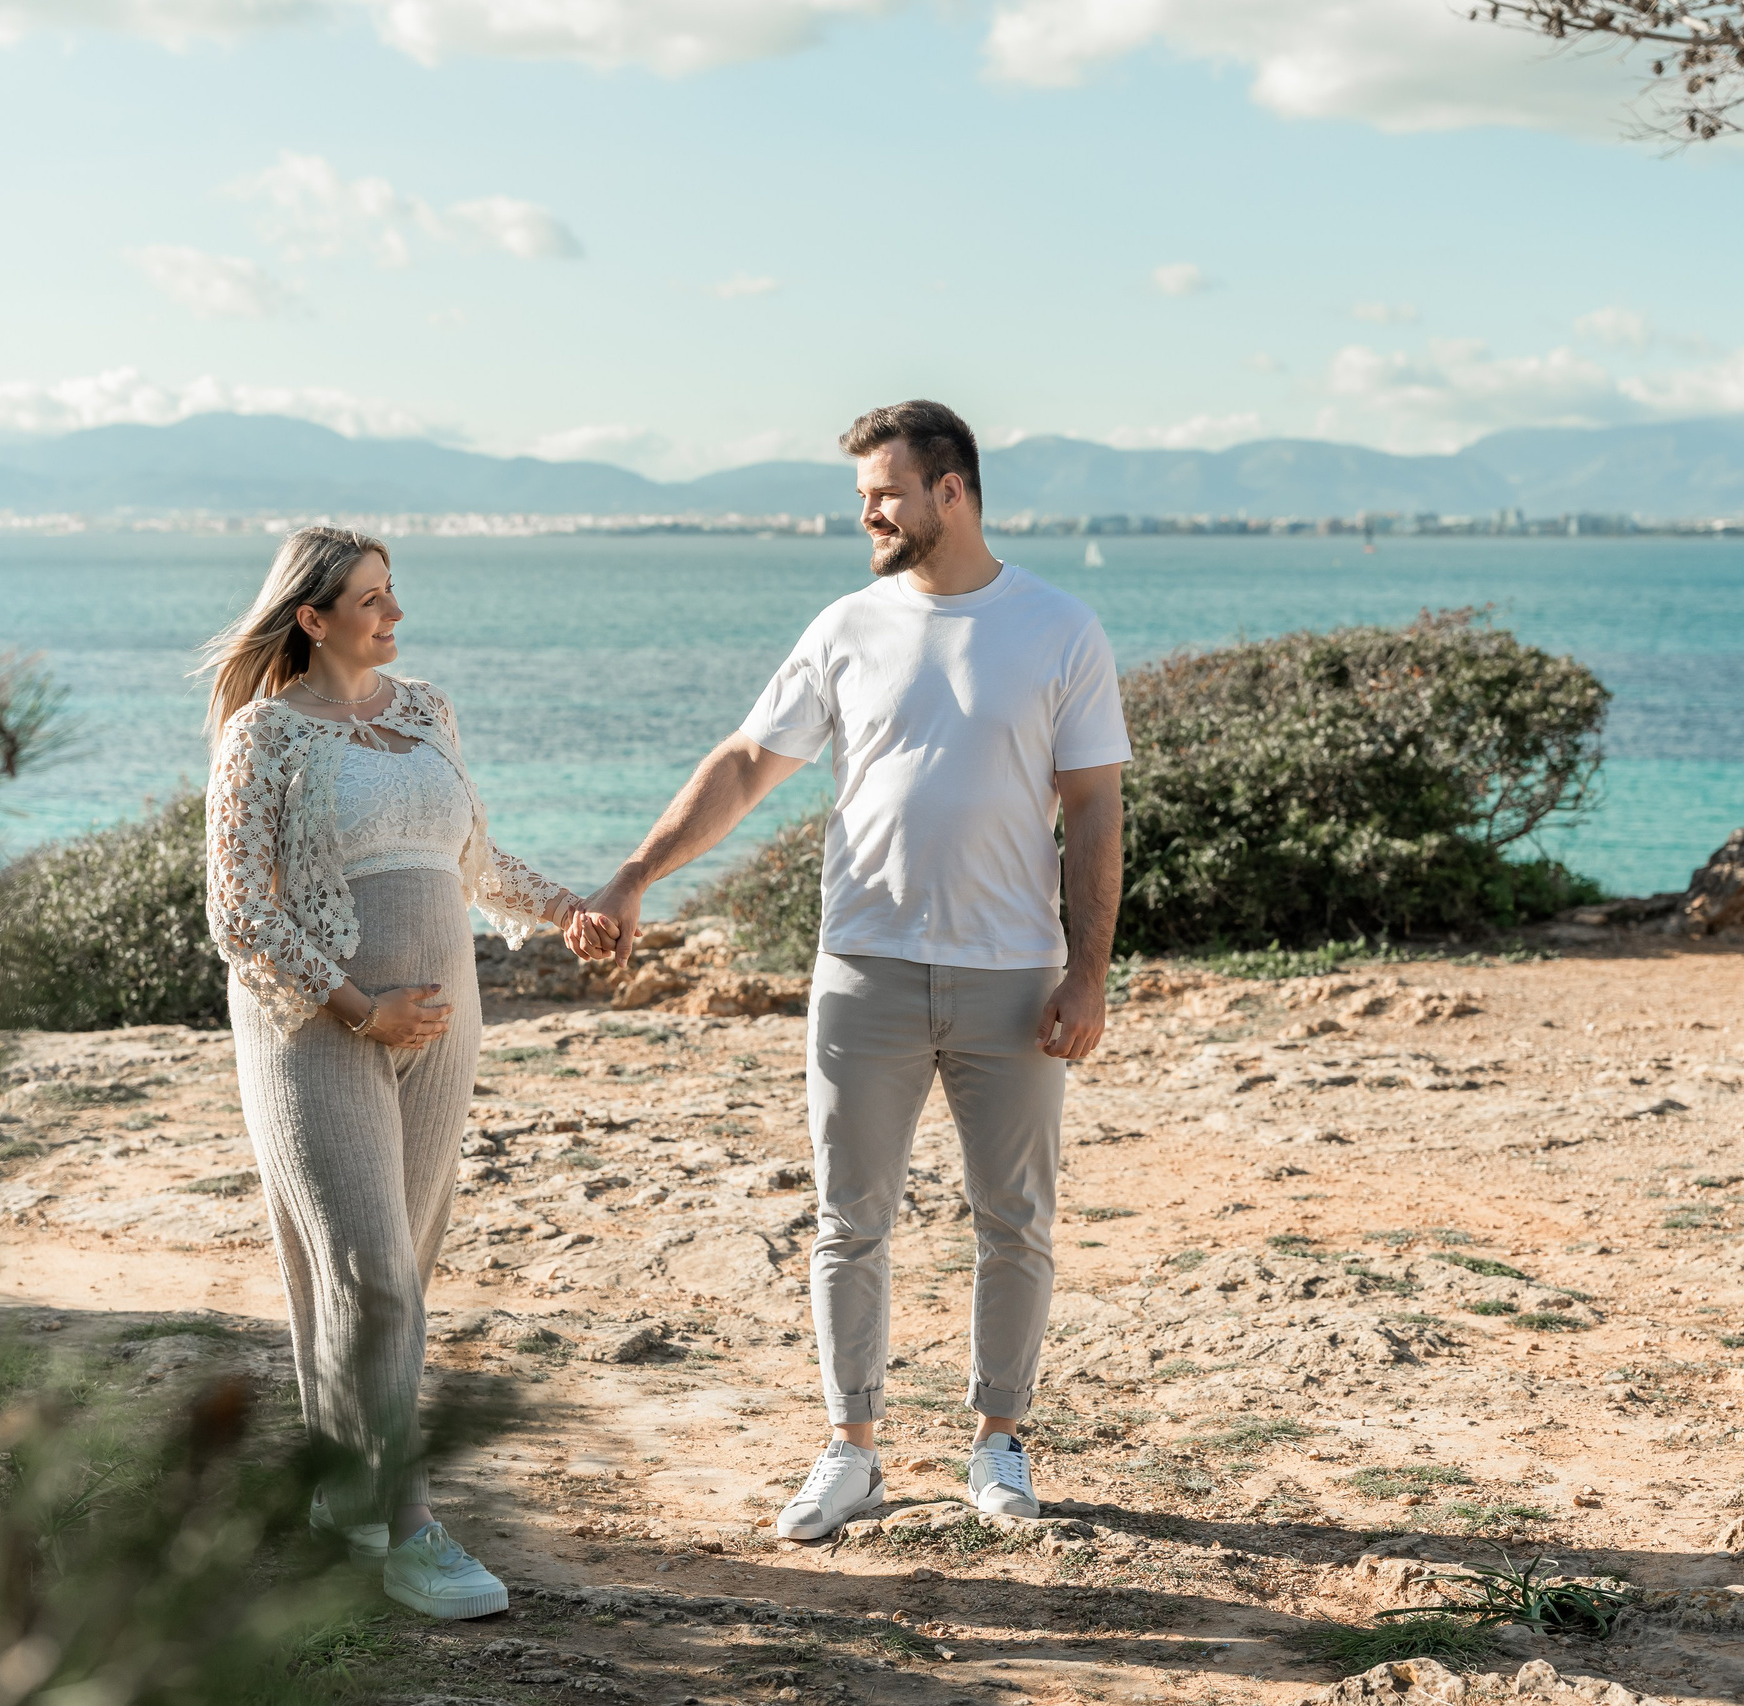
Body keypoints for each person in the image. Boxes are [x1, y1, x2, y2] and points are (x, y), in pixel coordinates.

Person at [568, 400, 1130, 1539]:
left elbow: (1095, 809)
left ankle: (997, 1443)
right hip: (862, 970)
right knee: (846, 1219)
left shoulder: (1059, 627)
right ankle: (852, 1448)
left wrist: (1088, 973)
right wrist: (636, 871)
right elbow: (744, 763)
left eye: (883, 494)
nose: (867, 514)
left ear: (950, 491)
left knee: (1014, 1218)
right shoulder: (845, 626)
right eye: (863, 497)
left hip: (1012, 973)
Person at [200, 526, 585, 1616]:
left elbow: (472, 861)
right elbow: (241, 913)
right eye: (370, 599)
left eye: (392, 592)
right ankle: (413, 1528)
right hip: (315, 1029)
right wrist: (363, 1008)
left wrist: (569, 908)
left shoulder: (425, 711)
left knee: (398, 1266)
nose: (394, 614)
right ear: (311, 619)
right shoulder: (263, 735)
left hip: (440, 1031)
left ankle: (347, 1484)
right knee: (373, 1267)